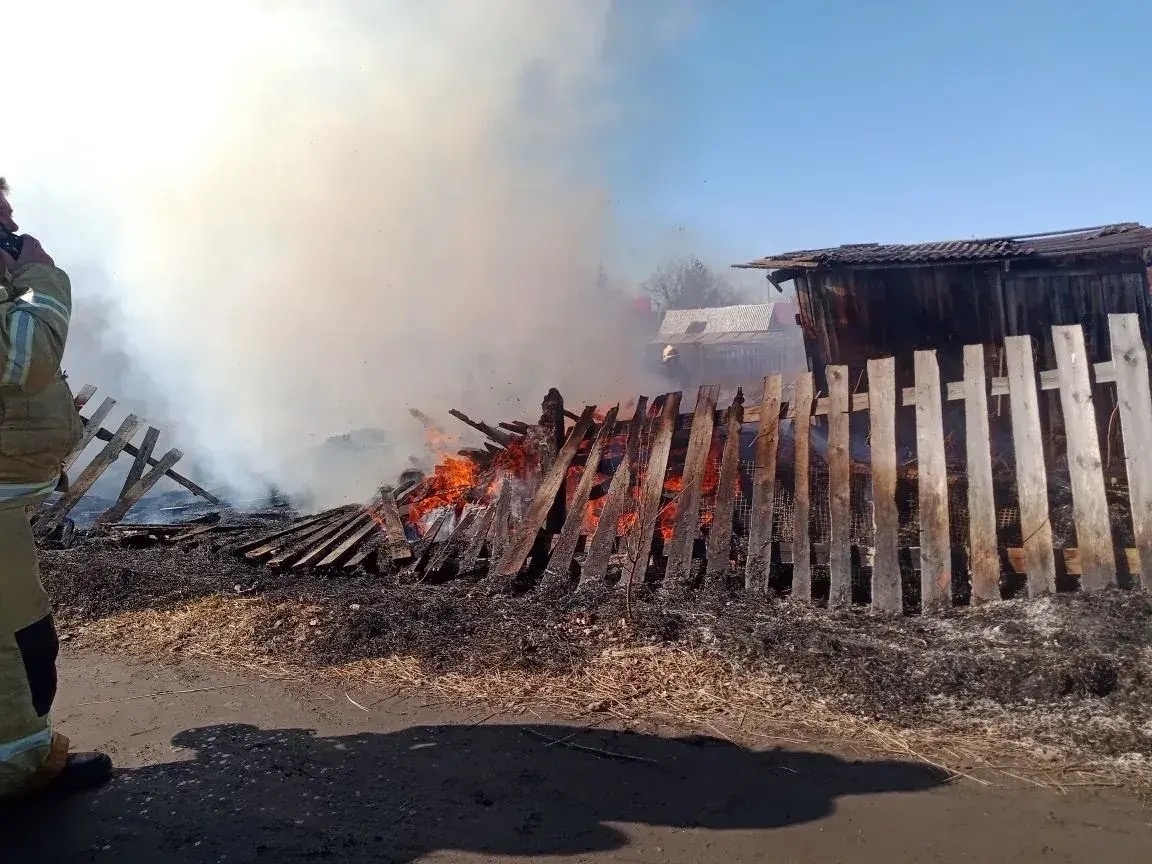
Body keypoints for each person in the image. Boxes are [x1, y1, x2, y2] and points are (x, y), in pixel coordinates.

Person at [0, 177, 112, 800]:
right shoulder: (26, 278)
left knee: (24, 638)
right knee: (17, 648)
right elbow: (24, 358)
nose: (12, 223)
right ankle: (20, 771)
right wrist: (40, 277)